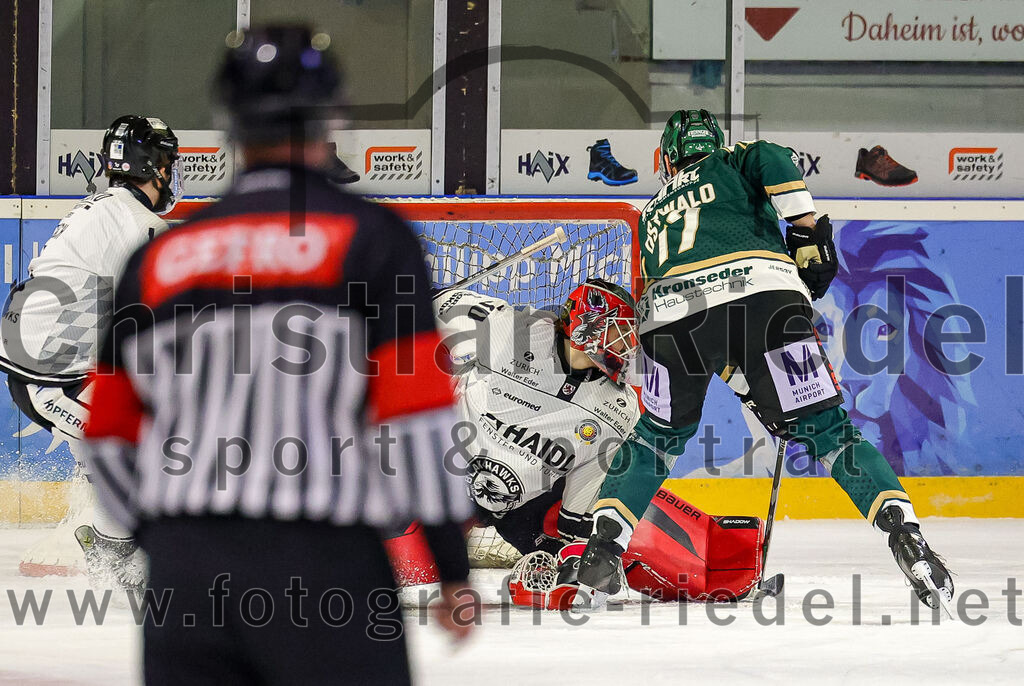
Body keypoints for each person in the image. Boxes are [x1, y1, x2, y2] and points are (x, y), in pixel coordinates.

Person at [80, 25, 475, 685]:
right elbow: (419, 422)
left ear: (228, 125)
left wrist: (167, 545)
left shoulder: (159, 259)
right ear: (331, 119)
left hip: (187, 582)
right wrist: (451, 570)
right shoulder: (372, 239)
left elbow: (108, 437)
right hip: (327, 571)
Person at [574, 109, 954, 614]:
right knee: (829, 433)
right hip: (765, 301)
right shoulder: (733, 159)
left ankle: (600, 552)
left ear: (667, 157)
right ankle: (906, 537)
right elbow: (773, 156)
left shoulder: (650, 214)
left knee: (654, 440)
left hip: (667, 318)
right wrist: (805, 228)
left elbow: (706, 325)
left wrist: (747, 386)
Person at [1, 114, 182, 586]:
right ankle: (113, 554)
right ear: (155, 166)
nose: (172, 171)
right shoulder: (137, 224)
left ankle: (112, 544)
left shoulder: (105, 208)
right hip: (52, 381)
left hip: (48, 367)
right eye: (168, 161)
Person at [432, 279, 640, 554]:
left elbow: (578, 509)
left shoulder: (620, 409)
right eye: (620, 332)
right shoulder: (510, 330)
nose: (627, 347)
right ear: (589, 323)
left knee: (572, 565)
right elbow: (433, 302)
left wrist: (577, 552)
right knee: (404, 559)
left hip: (523, 509)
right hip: (443, 472)